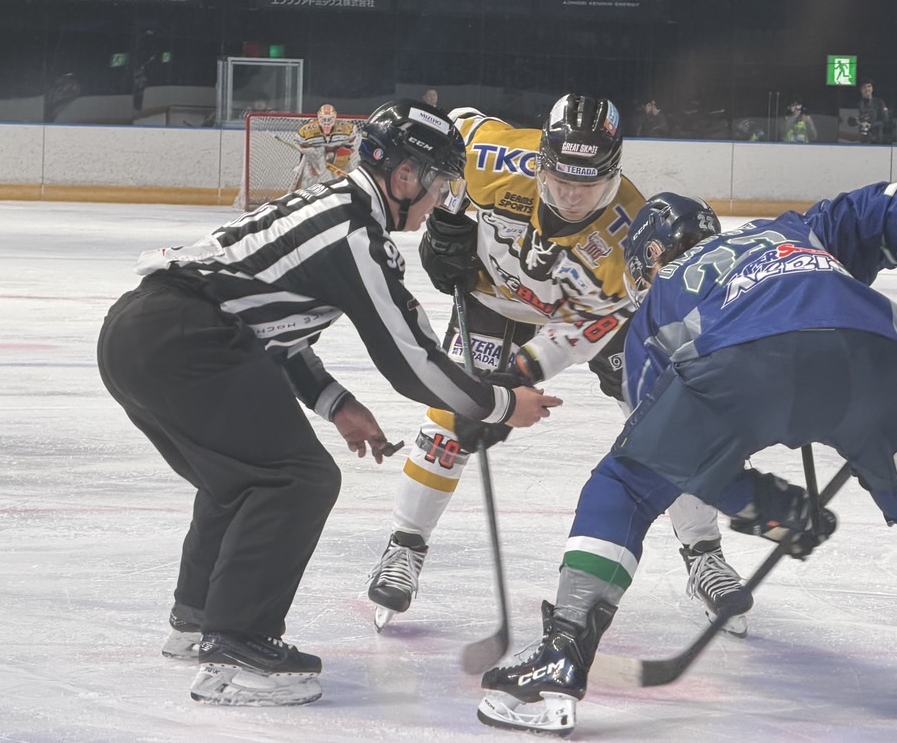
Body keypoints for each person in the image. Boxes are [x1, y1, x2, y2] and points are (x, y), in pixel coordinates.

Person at [477, 189, 897, 734]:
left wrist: (760, 505)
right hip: (878, 351)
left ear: (652, 254)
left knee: (623, 483)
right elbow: (890, 203)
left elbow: (673, 461)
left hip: (741, 363)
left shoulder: (659, 298)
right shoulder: (790, 230)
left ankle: (563, 652)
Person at [97, 99, 560, 707]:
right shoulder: (354, 233)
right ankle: (237, 648)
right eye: (441, 184)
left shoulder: (334, 208)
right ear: (405, 176)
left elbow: (271, 332)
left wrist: (337, 403)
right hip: (187, 341)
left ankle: (198, 620)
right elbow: (412, 361)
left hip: (140, 333)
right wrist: (500, 405)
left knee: (238, 479)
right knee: (296, 479)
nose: (441, 201)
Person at [366, 96, 751, 634]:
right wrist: (447, 220)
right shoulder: (495, 155)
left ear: (613, 176)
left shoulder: (629, 234)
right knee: (452, 417)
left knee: (667, 421)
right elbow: (454, 133)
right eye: (561, 180)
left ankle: (704, 553)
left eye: (587, 186)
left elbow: (579, 329)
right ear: (541, 163)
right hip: (493, 301)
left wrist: (518, 375)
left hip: (583, 317)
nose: (571, 197)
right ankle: (405, 545)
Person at [285, 103, 363, 193]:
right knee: (309, 176)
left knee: (345, 175)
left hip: (336, 152)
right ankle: (303, 192)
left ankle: (347, 191)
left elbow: (352, 142)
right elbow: (299, 143)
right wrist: (307, 151)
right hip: (316, 153)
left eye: (329, 119)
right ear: (318, 117)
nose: (326, 122)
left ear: (335, 117)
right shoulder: (307, 131)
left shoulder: (347, 128)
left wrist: (344, 151)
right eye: (323, 119)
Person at [857, 78, 891, 144]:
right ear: (861, 90)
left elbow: (885, 119)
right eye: (864, 87)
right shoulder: (858, 103)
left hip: (876, 139)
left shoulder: (879, 103)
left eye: (869, 86)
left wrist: (871, 125)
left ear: (872, 89)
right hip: (861, 139)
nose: (867, 89)